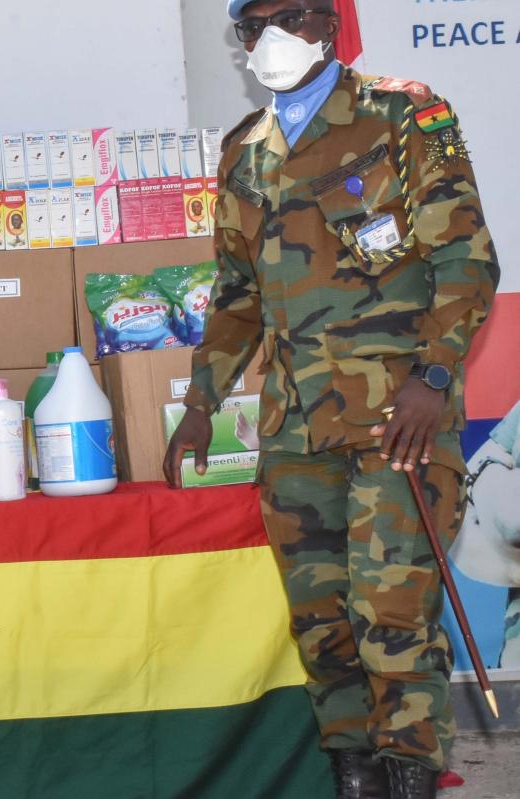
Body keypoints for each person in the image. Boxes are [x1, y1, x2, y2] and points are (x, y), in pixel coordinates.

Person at [164, 2, 497, 798]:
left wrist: (435, 377)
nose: (271, 38)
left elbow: (466, 259)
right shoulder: (245, 150)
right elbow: (237, 293)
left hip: (397, 420)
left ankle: (412, 775)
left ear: (325, 23)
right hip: (295, 428)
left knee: (391, 615)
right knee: (322, 625)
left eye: (291, 16)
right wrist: (202, 400)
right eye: (254, 26)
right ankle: (356, 776)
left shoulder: (402, 115)